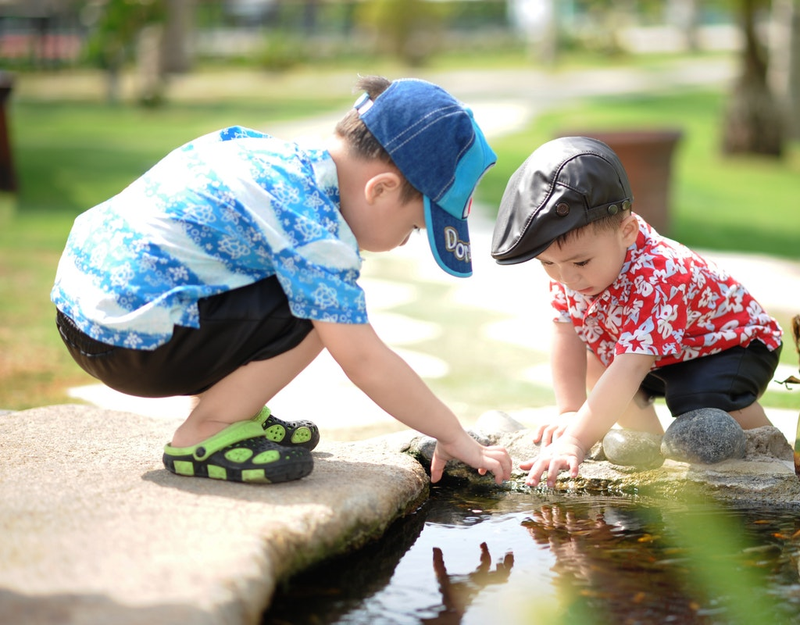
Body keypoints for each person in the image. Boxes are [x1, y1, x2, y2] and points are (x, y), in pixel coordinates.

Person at [52, 75, 512, 486]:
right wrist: (452, 434)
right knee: (322, 313)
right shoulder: (314, 228)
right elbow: (364, 360)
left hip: (85, 313)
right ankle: (207, 432)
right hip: (129, 344)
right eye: (413, 229)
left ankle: (234, 411)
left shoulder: (269, 156)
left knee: (292, 286)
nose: (402, 242)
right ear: (382, 189)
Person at [490, 136, 783, 488]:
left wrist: (576, 441)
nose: (567, 277)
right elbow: (565, 332)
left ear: (627, 231)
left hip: (732, 346)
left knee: (697, 399)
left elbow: (631, 366)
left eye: (580, 261)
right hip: (662, 354)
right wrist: (570, 411)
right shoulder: (571, 270)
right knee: (597, 360)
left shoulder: (659, 273)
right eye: (547, 263)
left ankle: (773, 457)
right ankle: (650, 453)